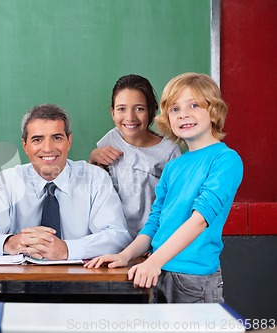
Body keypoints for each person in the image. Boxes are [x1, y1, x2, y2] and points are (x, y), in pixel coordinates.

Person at [84, 73, 243, 304]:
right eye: (175, 109)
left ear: (214, 111)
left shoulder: (225, 160)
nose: (184, 114)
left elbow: (199, 220)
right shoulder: (174, 166)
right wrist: (125, 256)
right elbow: (154, 223)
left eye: (194, 105)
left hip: (192, 279)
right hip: (156, 273)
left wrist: (154, 261)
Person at [0, 104, 132, 260]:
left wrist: (66, 250)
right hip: (18, 285)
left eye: (56, 137)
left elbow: (118, 235)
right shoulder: (6, 181)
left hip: (82, 284)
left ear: (69, 141)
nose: (47, 148)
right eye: (37, 139)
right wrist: (10, 242)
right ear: (25, 145)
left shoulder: (95, 178)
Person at [89, 74, 181, 238]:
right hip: (112, 239)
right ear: (112, 112)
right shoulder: (110, 139)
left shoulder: (169, 151)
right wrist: (94, 156)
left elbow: (174, 206)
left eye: (139, 108)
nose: (130, 117)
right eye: (121, 109)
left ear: (152, 111)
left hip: (151, 240)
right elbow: (94, 184)